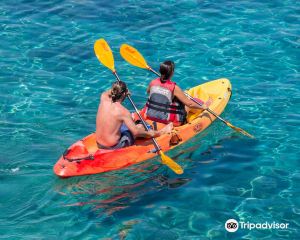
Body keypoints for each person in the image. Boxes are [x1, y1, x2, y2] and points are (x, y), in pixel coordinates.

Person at [96, 81, 172, 149]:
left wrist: (121, 90)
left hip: (99, 143)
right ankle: (161, 132)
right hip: (113, 146)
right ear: (124, 94)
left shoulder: (103, 97)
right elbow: (136, 132)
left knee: (125, 123)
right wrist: (155, 134)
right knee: (140, 127)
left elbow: (111, 91)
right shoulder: (123, 112)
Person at [143, 60, 211, 126]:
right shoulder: (174, 88)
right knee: (186, 105)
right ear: (172, 72)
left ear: (160, 71)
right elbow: (189, 104)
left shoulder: (152, 83)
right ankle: (203, 106)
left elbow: (148, 92)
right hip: (169, 121)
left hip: (150, 116)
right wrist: (203, 106)